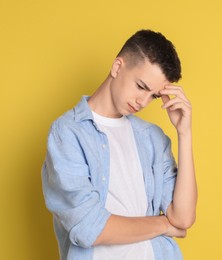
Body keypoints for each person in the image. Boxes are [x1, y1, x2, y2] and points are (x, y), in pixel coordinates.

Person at [41, 29, 197, 260]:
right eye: (141, 86)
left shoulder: (152, 138)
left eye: (153, 96)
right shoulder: (68, 133)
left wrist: (184, 133)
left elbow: (183, 218)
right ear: (117, 67)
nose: (143, 101)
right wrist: (164, 225)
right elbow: (89, 229)